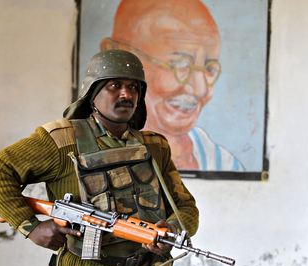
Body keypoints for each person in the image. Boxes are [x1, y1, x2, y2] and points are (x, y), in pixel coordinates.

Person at [0, 49, 199, 266]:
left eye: (134, 87)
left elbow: (186, 208)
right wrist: (31, 227)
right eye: (115, 85)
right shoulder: (62, 140)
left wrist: (171, 229)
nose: (127, 94)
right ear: (93, 92)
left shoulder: (155, 146)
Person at [100, 0, 244, 171]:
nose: (200, 89)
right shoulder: (92, 153)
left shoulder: (221, 162)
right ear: (118, 58)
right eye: (180, 64)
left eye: (209, 68)